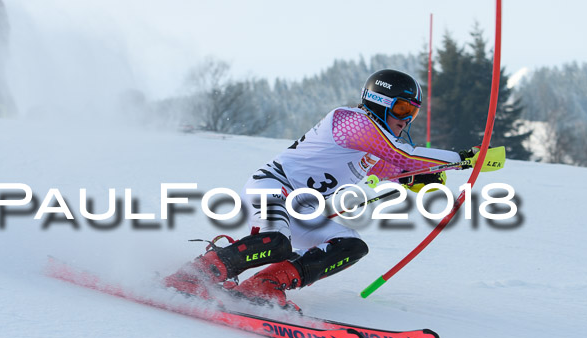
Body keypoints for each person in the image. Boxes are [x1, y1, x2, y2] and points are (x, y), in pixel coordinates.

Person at [164, 69, 480, 309]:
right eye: (401, 110)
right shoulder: (350, 121)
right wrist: (463, 159)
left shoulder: (374, 148)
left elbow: (395, 169)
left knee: (350, 245)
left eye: (412, 113)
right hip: (272, 187)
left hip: (301, 209)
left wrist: (419, 179)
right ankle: (193, 275)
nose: (406, 120)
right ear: (380, 102)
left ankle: (263, 286)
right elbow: (403, 155)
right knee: (275, 242)